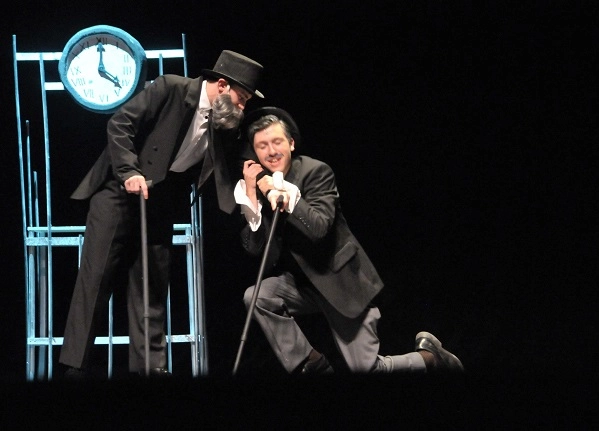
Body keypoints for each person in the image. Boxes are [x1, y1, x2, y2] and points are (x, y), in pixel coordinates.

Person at [59, 50, 265, 379]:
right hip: (120, 193)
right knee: (96, 279)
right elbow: (120, 124)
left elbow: (237, 157)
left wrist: (264, 180)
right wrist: (129, 172)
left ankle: (150, 367)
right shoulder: (171, 88)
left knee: (152, 285)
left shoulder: (222, 119)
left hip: (161, 201)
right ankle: (74, 367)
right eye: (242, 99)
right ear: (222, 85)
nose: (242, 108)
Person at [234, 107, 464, 375]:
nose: (271, 151)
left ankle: (430, 358)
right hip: (302, 286)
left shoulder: (316, 172)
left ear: (291, 143)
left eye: (277, 142)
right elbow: (255, 250)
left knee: (368, 370)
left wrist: (286, 195)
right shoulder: (260, 188)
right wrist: (252, 198)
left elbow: (319, 228)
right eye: (262, 146)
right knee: (258, 295)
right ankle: (312, 365)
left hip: (340, 282)